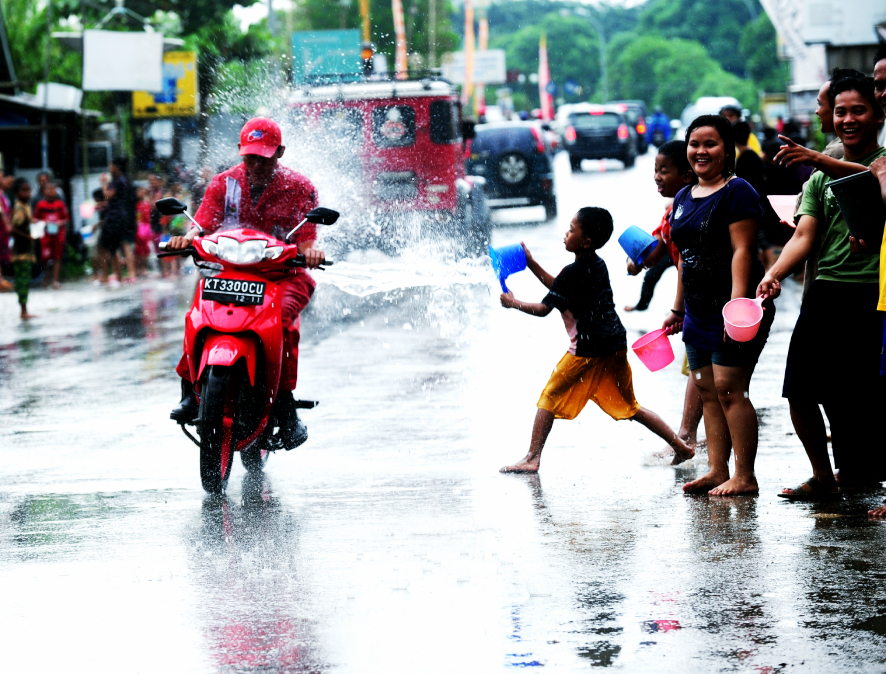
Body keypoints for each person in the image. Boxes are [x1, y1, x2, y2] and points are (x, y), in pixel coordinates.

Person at [757, 73, 886, 499]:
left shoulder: (883, 164)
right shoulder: (817, 178)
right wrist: (773, 274)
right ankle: (823, 476)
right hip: (827, 291)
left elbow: (871, 179)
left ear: (879, 113)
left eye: (858, 110)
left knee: (865, 394)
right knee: (800, 387)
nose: (847, 119)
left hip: (876, 295)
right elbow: (804, 235)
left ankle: (862, 471)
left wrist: (817, 159)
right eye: (840, 111)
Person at [165, 117, 325, 448]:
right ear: (240, 152)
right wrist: (186, 239)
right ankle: (190, 392)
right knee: (197, 315)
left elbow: (308, 241)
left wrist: (311, 253)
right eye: (249, 156)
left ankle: (285, 407)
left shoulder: (301, 188)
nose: (256, 163)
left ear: (279, 152)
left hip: (284, 276)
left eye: (264, 157)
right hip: (228, 273)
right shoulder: (223, 184)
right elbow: (202, 227)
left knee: (281, 321)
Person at [497, 207, 695, 474]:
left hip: (587, 348)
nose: (565, 234)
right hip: (614, 344)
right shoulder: (597, 265)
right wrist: (531, 263)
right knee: (631, 406)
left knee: (548, 397)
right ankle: (681, 447)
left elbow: (545, 308)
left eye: (571, 229)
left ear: (586, 241)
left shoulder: (572, 272)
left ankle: (532, 457)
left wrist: (513, 303)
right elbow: (561, 287)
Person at [662, 115, 773, 496]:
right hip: (697, 309)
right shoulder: (682, 196)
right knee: (706, 388)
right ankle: (716, 469)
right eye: (694, 144)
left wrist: (737, 305)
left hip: (733, 308)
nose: (701, 151)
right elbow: (684, 257)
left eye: (710, 144)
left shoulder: (738, 191)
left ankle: (745, 476)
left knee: (730, 389)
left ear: (727, 149)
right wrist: (678, 309)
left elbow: (743, 250)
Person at [626, 140, 704, 453]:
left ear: (687, 174)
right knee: (699, 369)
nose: (657, 177)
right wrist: (637, 261)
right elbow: (656, 248)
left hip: (704, 299)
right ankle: (690, 434)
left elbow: (685, 261)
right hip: (696, 300)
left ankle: (688, 435)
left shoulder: (688, 206)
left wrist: (678, 309)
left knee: (703, 369)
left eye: (663, 170)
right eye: (655, 170)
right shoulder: (675, 207)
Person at [33, 182, 70, 289]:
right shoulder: (40, 204)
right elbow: (35, 218)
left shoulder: (60, 204)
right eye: (48, 189)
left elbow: (66, 219)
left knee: (57, 257)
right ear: (44, 191)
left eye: (53, 189)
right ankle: (46, 277)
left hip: (58, 235)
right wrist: (42, 222)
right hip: (45, 235)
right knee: (45, 258)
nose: (50, 192)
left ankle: (55, 280)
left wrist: (59, 222)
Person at [9, 177, 37, 319]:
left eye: (28, 190)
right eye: (24, 191)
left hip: (25, 250)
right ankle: (23, 311)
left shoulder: (26, 206)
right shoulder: (19, 208)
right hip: (20, 252)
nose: (27, 194)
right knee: (23, 280)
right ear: (16, 193)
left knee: (24, 279)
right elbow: (13, 229)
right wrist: (28, 237)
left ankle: (24, 309)